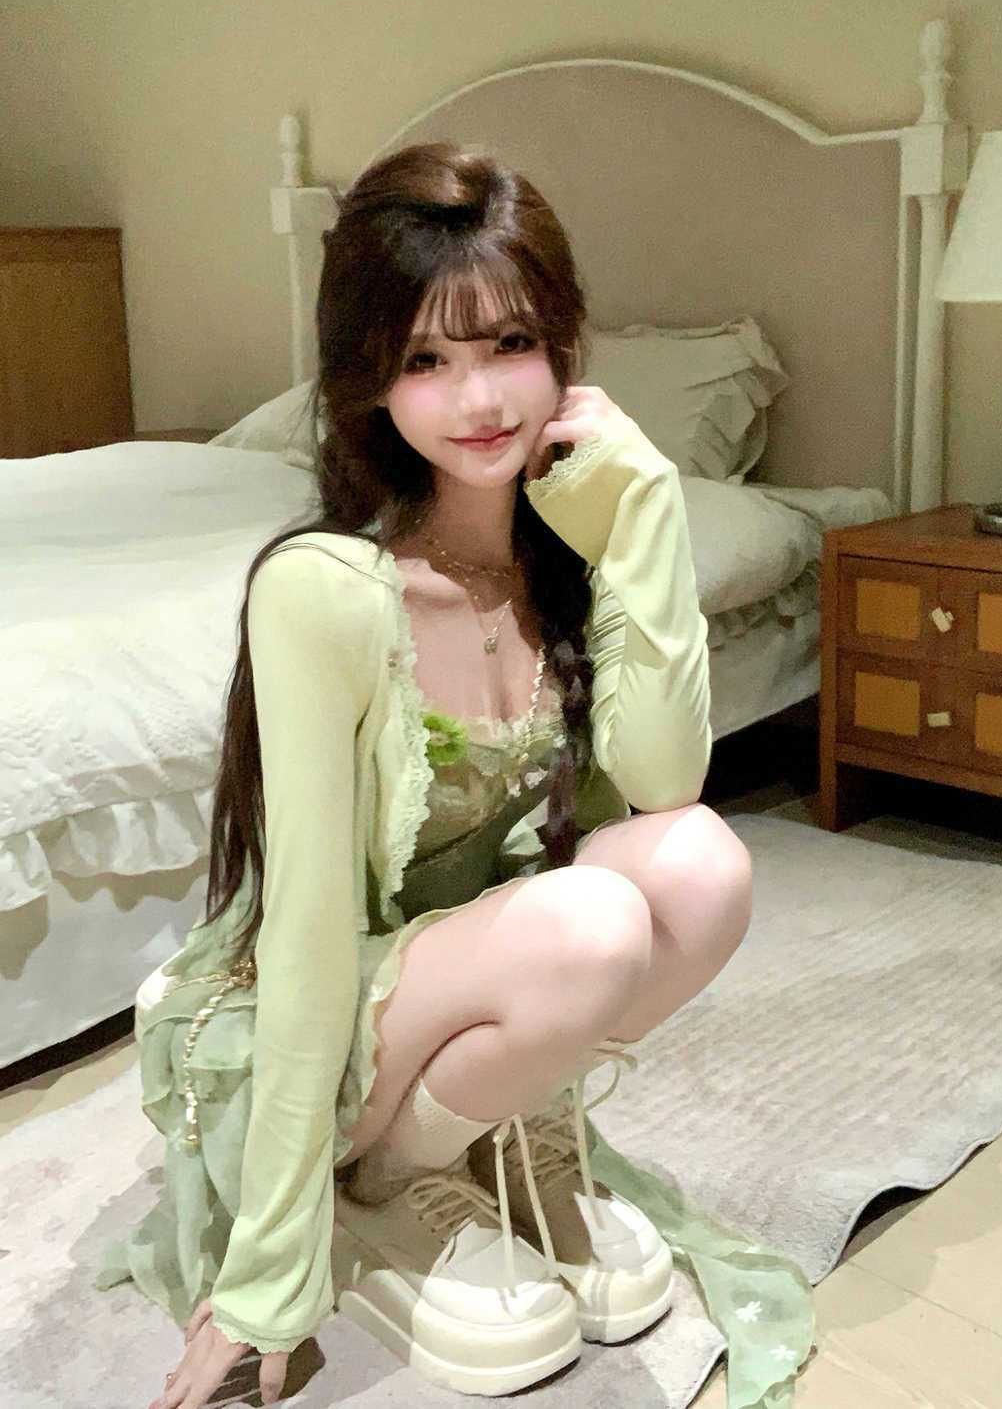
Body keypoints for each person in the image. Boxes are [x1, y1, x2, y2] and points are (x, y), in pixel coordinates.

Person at [96, 141, 815, 1409]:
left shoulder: (574, 552)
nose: (478, 398)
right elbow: (310, 929)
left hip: (487, 966)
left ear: (564, 350)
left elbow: (664, 783)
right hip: (335, 1010)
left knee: (702, 865)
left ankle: (501, 1126)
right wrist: (269, 1275)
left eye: (510, 345)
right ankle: (379, 1182)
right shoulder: (326, 589)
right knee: (593, 921)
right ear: (368, 379)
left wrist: (648, 511)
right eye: (425, 359)